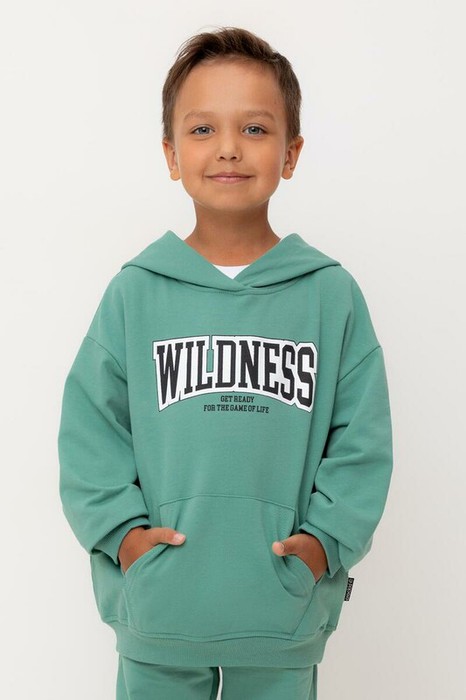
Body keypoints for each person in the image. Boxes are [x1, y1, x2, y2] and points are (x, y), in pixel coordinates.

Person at [58, 26, 393, 700]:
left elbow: (362, 443)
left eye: (256, 129)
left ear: (291, 153)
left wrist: (321, 547)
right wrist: (125, 539)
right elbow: (91, 433)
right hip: (160, 610)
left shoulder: (329, 296)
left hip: (281, 610)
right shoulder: (136, 292)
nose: (230, 148)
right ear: (171, 153)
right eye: (203, 128)